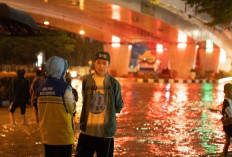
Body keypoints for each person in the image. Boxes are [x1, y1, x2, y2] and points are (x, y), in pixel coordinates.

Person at [75, 51, 124, 157]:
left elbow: (119, 105)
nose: (101, 66)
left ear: (108, 65)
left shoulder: (114, 83)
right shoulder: (87, 80)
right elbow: (85, 99)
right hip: (87, 131)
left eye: (104, 63)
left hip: (105, 133)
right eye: (98, 62)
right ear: (94, 63)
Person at [37, 56, 75, 157]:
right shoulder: (65, 88)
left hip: (47, 136)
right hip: (63, 137)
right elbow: (71, 109)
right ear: (60, 70)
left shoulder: (41, 88)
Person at [222, 83, 232, 157]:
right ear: (225, 92)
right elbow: (230, 114)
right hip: (229, 125)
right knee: (227, 141)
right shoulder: (226, 101)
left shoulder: (229, 100)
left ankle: (224, 155)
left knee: (227, 142)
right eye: (230, 91)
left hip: (228, 123)